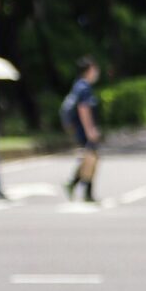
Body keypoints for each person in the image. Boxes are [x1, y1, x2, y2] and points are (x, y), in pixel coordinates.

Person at [61, 57, 102, 203]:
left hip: (81, 130)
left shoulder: (78, 85)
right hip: (84, 130)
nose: (96, 72)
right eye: (94, 69)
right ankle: (80, 188)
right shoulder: (84, 88)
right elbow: (83, 109)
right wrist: (90, 130)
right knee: (91, 159)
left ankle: (77, 186)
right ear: (88, 71)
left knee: (89, 159)